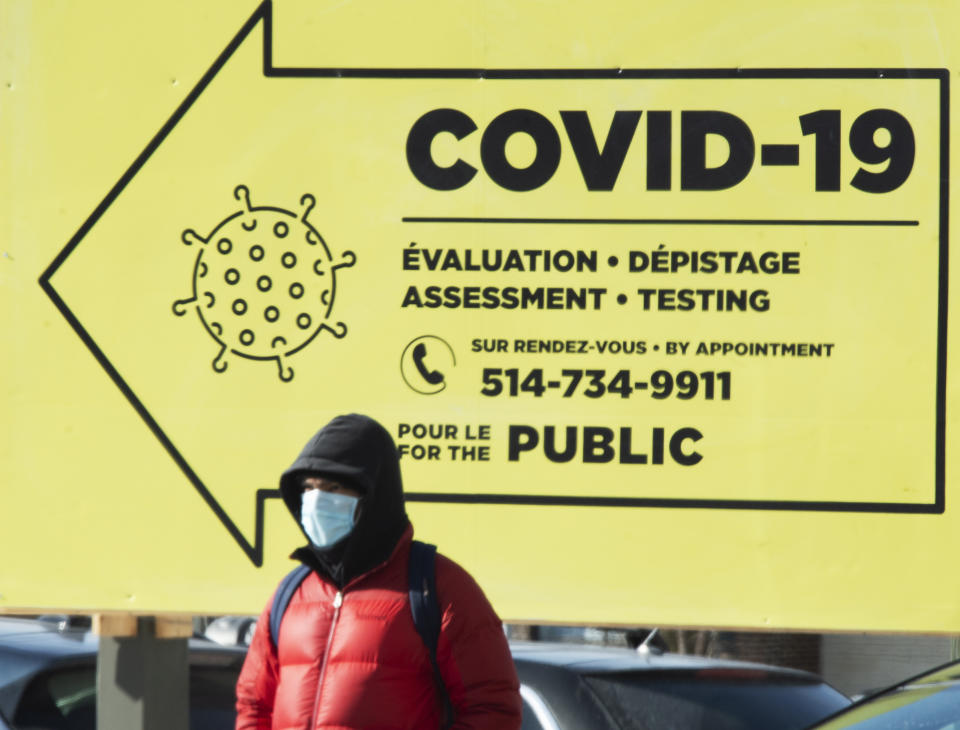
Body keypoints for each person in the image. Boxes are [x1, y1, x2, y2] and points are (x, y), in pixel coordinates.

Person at [235, 413, 522, 730]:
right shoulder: (292, 592)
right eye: (308, 488)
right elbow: (254, 704)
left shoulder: (438, 587)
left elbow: (493, 710)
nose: (316, 501)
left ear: (374, 496)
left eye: (333, 487)